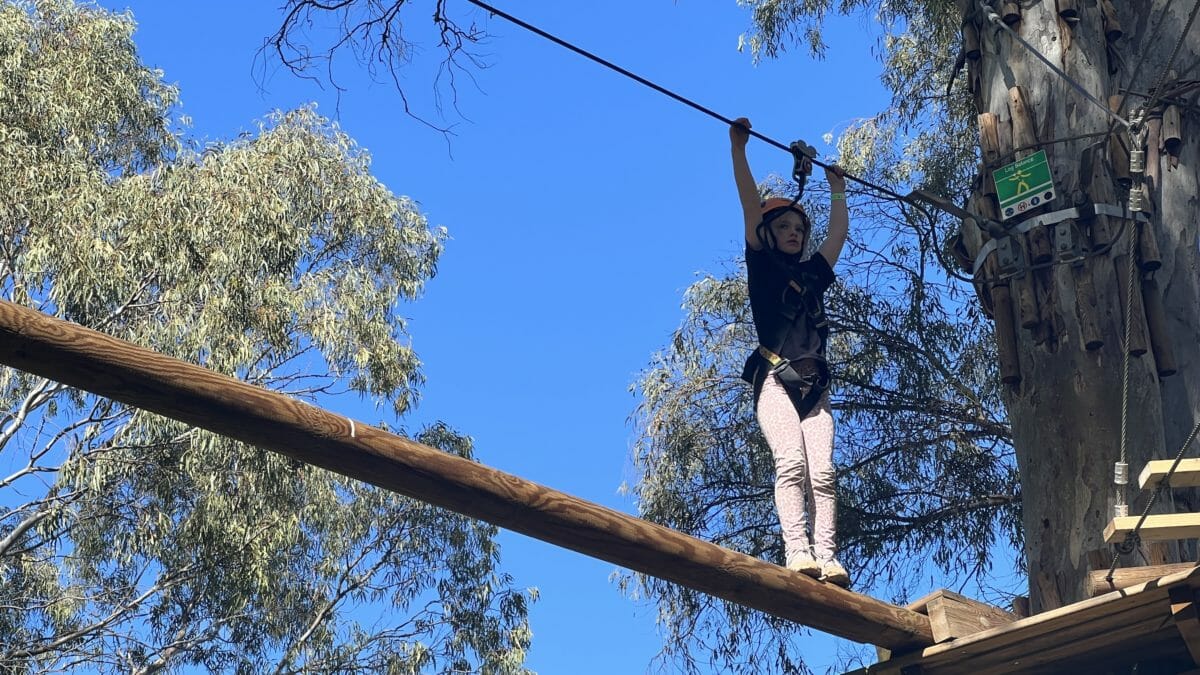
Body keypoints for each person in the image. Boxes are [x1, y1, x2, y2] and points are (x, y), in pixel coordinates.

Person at [729, 117, 850, 587]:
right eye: (785, 227)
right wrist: (739, 150)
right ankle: (797, 550)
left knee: (823, 472)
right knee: (792, 464)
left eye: (800, 227)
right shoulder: (761, 266)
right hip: (776, 381)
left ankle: (828, 556)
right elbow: (747, 205)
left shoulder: (815, 274)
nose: (795, 234)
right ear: (770, 232)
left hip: (814, 387)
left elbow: (836, 234)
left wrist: (836, 189)